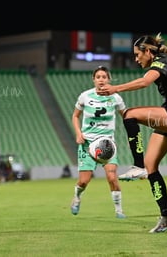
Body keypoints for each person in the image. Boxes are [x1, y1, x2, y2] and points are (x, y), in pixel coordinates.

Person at [98, 33, 167, 233]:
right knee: (152, 167)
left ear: (148, 51)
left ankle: (137, 166)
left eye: (138, 55)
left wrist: (114, 89)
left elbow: (145, 82)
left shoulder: (163, 61)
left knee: (130, 114)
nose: (136, 59)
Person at [70, 66, 127, 219]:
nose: (101, 79)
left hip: (107, 144)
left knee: (112, 177)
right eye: (98, 77)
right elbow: (75, 116)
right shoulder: (85, 96)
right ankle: (77, 197)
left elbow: (126, 116)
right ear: (93, 80)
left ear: (109, 79)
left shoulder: (115, 97)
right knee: (84, 181)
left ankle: (119, 210)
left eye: (104, 77)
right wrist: (78, 134)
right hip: (87, 143)